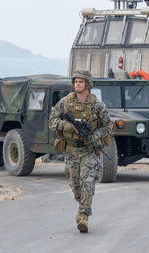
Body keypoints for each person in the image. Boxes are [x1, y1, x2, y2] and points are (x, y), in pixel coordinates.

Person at [49, 70, 111, 233]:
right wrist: (65, 126)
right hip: (70, 150)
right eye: (75, 81)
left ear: (88, 85)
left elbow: (107, 126)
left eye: (81, 82)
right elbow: (52, 121)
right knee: (75, 185)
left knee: (88, 183)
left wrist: (95, 135)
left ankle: (84, 215)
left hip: (89, 150)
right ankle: (81, 204)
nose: (77, 84)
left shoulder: (98, 105)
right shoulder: (65, 102)